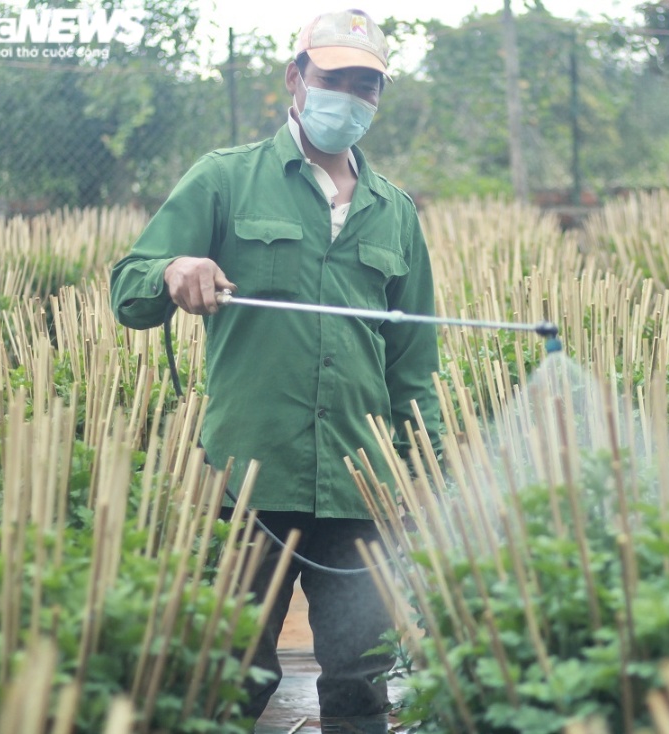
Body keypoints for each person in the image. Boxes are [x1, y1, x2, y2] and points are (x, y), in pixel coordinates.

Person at [108, 9, 441, 732]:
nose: (348, 97)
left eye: (365, 86)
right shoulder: (225, 179)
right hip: (249, 475)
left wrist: (426, 476)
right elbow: (127, 288)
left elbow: (415, 367)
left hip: (360, 484)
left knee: (360, 679)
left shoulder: (395, 214)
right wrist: (174, 269)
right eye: (333, 78)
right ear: (295, 78)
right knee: (231, 673)